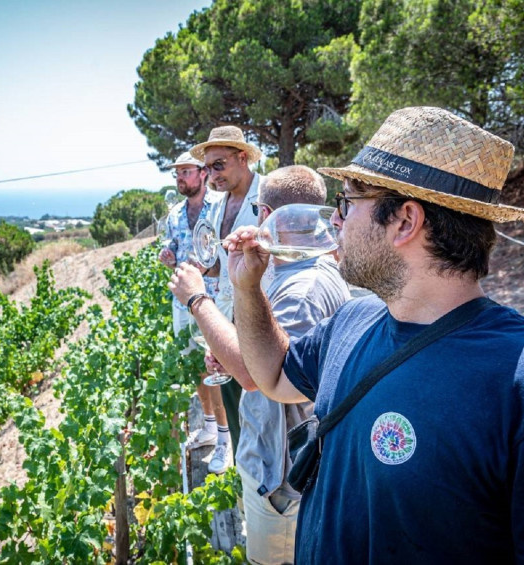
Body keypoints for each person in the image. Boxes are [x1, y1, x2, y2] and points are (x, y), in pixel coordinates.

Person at [227, 106, 524, 563]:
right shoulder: (352, 321)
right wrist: (247, 288)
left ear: (405, 221)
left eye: (347, 201)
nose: (334, 221)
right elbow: (274, 377)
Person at [169, 166, 350, 565]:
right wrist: (232, 349)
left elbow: (259, 377)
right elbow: (266, 350)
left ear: (265, 213)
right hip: (286, 465)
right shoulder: (302, 268)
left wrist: (198, 300)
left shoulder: (301, 291)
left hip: (281, 474)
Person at [187, 125, 264, 471]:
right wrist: (201, 271)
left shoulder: (268, 197)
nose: (211, 176)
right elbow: (219, 267)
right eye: (207, 169)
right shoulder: (216, 207)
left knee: (265, 404)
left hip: (262, 317)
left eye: (218, 165)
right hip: (227, 313)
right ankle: (244, 478)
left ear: (242, 157)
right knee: (233, 403)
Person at [157, 151, 231, 472]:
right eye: (177, 174)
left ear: (202, 173)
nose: (180, 179)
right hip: (182, 303)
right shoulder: (174, 214)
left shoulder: (221, 207)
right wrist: (168, 256)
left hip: (213, 301)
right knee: (196, 366)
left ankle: (227, 441)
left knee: (219, 367)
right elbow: (171, 247)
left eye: (186, 172)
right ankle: (211, 427)